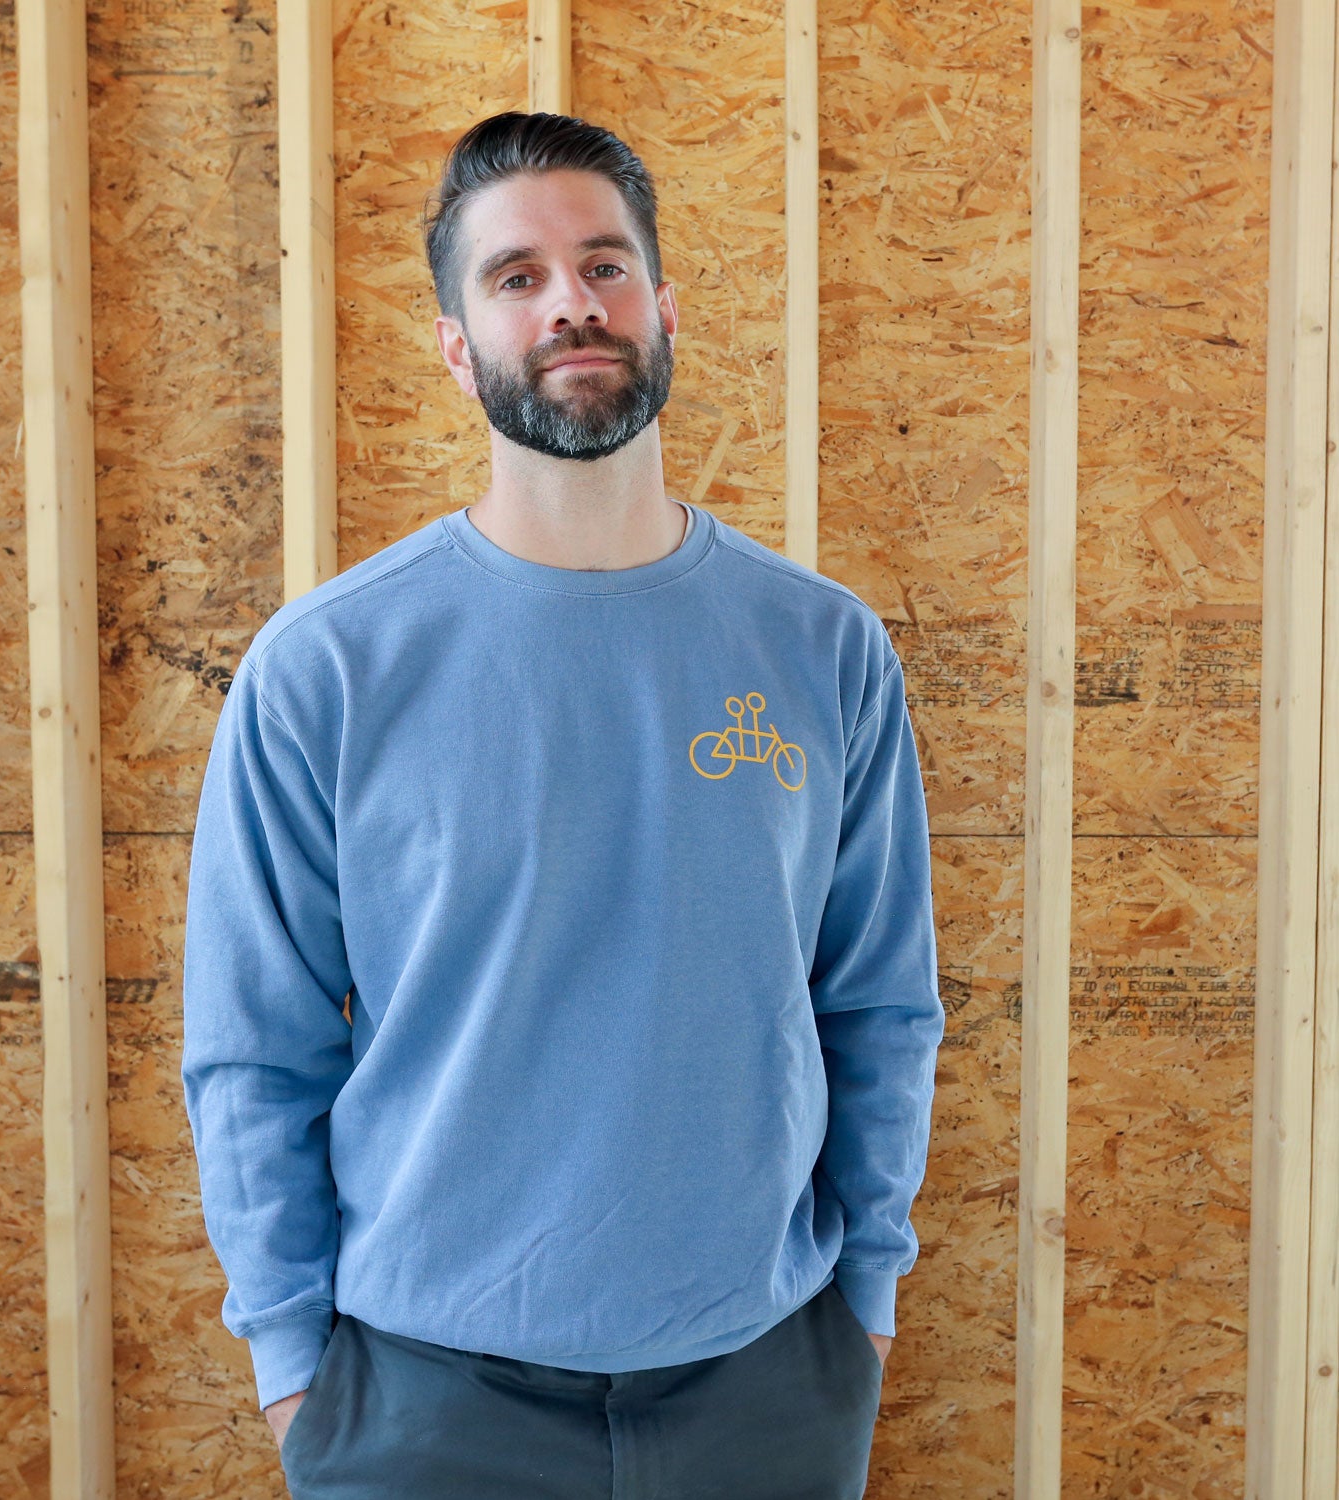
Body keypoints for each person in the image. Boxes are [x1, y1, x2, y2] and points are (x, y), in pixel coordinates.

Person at [181, 110, 946, 1500]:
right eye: (515, 276)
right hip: (421, 1399)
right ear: (457, 344)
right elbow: (255, 1053)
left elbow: (880, 1005)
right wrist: (293, 1370)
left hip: (767, 1385)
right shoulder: (328, 670)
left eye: (603, 264)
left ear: (663, 308)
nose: (571, 303)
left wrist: (868, 1306)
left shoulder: (823, 649)